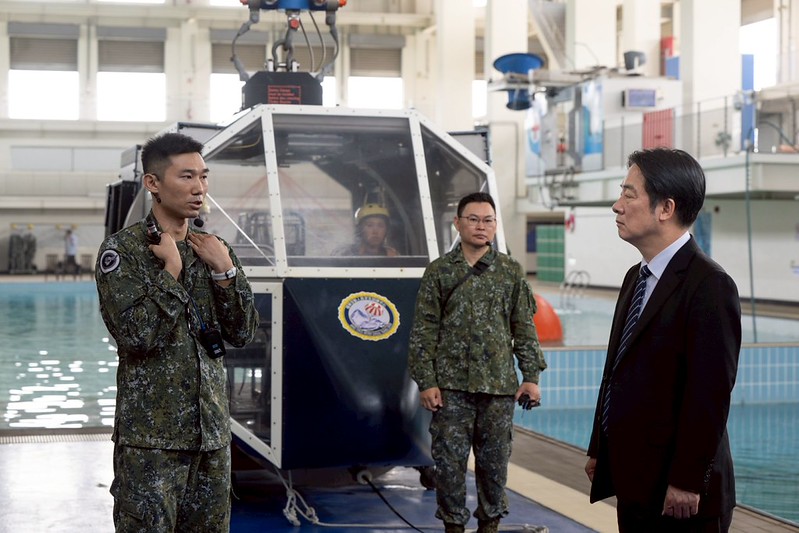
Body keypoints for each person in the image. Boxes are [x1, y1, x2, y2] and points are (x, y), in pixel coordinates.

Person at [95, 132, 259, 532]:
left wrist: (225, 272)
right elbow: (136, 336)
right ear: (153, 183)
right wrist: (171, 271)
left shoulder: (214, 249)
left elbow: (243, 333)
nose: (199, 188)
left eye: (203, 176)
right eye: (186, 176)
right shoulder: (124, 252)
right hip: (151, 443)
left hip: (211, 440)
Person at [585, 148, 742, 532]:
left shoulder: (709, 285)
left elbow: (710, 394)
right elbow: (616, 370)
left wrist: (687, 480)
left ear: (666, 208)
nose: (617, 205)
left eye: (629, 194)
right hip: (636, 480)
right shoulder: (636, 278)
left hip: (681, 496)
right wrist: (600, 448)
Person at [408, 191, 547, 533]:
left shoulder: (510, 272)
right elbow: (423, 331)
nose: (481, 226)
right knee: (449, 465)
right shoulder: (440, 272)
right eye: (473, 219)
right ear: (457, 223)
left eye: (488, 220)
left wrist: (531, 376)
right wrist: (427, 381)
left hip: (498, 389)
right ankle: (453, 528)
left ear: (495, 225)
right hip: (451, 389)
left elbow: (523, 327)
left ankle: (490, 527)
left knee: (494, 466)